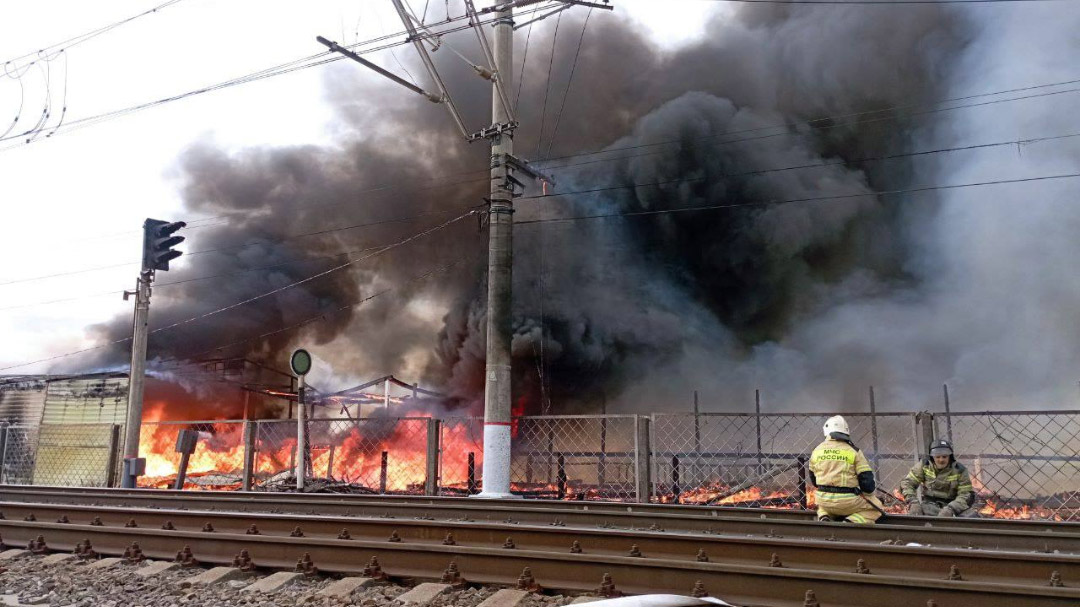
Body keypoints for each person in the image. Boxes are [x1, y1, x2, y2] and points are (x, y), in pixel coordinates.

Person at [808, 415, 885, 524]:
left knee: (822, 506)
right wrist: (864, 493)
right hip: (848, 501)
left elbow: (814, 481)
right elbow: (867, 484)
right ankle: (851, 522)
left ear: (826, 431)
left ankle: (824, 516)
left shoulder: (817, 450)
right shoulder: (854, 451)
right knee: (877, 508)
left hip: (823, 498)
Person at [900, 438, 978, 517]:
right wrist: (913, 502)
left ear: (950, 456)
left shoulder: (960, 470)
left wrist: (951, 509)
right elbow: (908, 483)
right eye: (937, 457)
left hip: (953, 506)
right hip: (929, 506)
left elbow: (965, 494)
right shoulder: (924, 465)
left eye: (944, 457)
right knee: (917, 517)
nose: (941, 460)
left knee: (972, 517)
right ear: (932, 457)